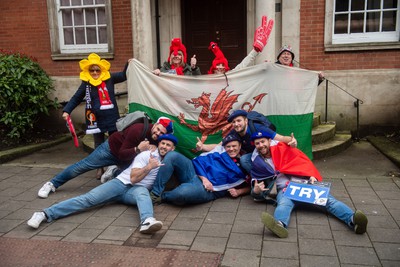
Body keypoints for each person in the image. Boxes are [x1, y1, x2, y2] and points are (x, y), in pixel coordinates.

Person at [27, 134, 178, 234]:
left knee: (143, 194)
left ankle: (147, 221)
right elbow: (132, 178)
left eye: (168, 145)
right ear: (158, 144)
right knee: (88, 199)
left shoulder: (170, 161)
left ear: (173, 149)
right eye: (162, 143)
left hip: (135, 191)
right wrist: (149, 167)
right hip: (121, 184)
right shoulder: (147, 155)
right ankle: (45, 213)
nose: (164, 146)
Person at [249, 131, 368, 238]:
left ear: (269, 141)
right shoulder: (257, 163)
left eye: (263, 142)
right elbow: (255, 190)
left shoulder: (284, 149)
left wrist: (311, 176)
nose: (261, 145)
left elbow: (302, 163)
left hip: (304, 185)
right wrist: (257, 191)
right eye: (257, 143)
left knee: (328, 201)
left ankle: (353, 220)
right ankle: (279, 225)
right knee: (284, 204)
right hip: (285, 190)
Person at [37, 117, 174, 198]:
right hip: (111, 150)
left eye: (161, 133)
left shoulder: (159, 141)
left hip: (128, 159)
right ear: (155, 124)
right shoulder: (138, 129)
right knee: (82, 166)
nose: (157, 133)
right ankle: (52, 183)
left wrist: (155, 147)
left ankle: (113, 170)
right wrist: (138, 149)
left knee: (131, 177)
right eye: (157, 129)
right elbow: (121, 153)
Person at [63, 53, 131, 179]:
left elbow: (123, 75)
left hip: (111, 117)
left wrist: (128, 64)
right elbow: (76, 97)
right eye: (92, 70)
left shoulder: (109, 78)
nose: (95, 72)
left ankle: (116, 165)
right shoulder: (86, 84)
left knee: (115, 142)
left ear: (101, 70)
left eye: (97, 70)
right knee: (98, 144)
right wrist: (67, 110)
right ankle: (99, 167)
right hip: (95, 119)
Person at [149, 134, 250, 205]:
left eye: (234, 146)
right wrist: (203, 177)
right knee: (172, 155)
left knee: (182, 193)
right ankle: (155, 194)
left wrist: (239, 192)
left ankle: (162, 197)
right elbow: (200, 160)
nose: (231, 149)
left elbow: (251, 185)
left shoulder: (245, 162)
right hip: (195, 171)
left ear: (240, 146)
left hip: (208, 188)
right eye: (228, 146)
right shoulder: (220, 151)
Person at [196, 109, 297, 173]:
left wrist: (292, 141)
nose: (236, 124)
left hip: (269, 155)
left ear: (246, 121)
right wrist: (203, 146)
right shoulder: (234, 133)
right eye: (234, 122)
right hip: (255, 157)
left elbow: (282, 138)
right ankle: (260, 179)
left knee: (244, 159)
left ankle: (272, 176)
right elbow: (219, 146)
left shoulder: (257, 128)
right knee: (243, 159)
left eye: (239, 121)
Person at [208, 16, 274, 74]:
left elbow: (243, 64)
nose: (220, 67)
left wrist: (255, 51)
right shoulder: (205, 80)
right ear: (213, 67)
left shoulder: (230, 75)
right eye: (218, 65)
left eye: (223, 65)